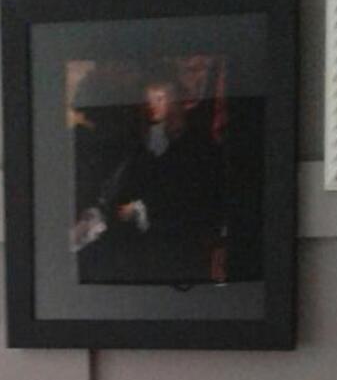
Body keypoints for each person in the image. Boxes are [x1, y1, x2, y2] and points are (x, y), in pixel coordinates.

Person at [71, 62, 227, 286]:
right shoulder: (144, 143)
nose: (152, 105)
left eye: (160, 98)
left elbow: (197, 204)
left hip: (179, 252)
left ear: (179, 101)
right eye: (149, 99)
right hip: (139, 248)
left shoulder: (199, 147)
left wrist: (140, 209)